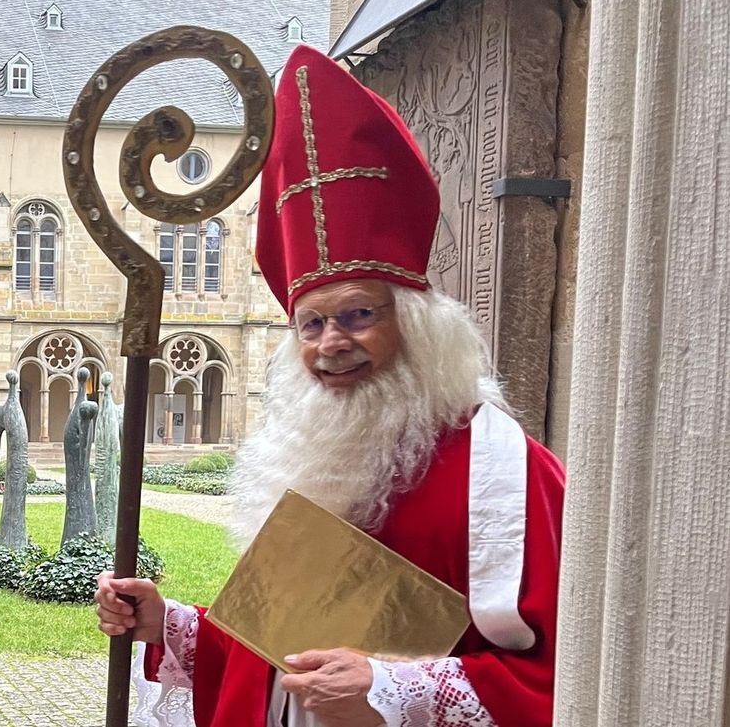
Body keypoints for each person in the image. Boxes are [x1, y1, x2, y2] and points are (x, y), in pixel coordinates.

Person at [95, 44, 564, 727]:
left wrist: (392, 686)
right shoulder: (315, 457)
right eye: (310, 324)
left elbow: (566, 675)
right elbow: (269, 650)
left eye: (358, 314)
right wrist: (169, 623)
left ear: (416, 325)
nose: (332, 343)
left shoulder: (506, 472)